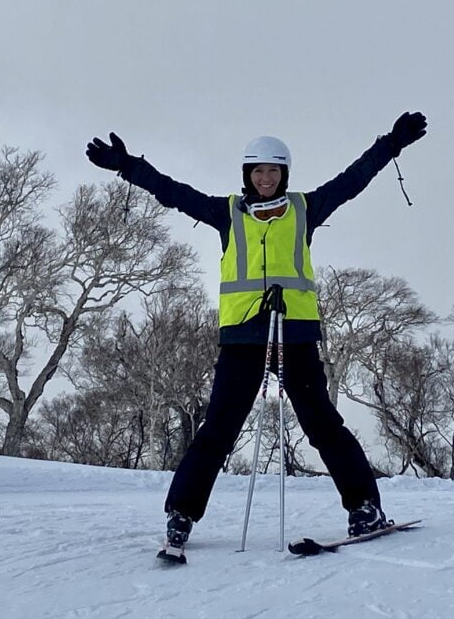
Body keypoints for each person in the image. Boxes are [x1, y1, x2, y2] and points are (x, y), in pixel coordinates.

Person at [86, 112, 427, 553]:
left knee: (323, 425)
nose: (265, 178)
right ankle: (181, 515)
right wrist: (128, 167)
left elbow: (352, 180)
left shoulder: (306, 208)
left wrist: (390, 144)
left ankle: (364, 508)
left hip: (296, 336)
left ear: (284, 174)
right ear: (247, 175)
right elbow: (173, 193)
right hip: (243, 339)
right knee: (218, 430)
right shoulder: (226, 213)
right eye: (257, 171)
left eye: (273, 170)